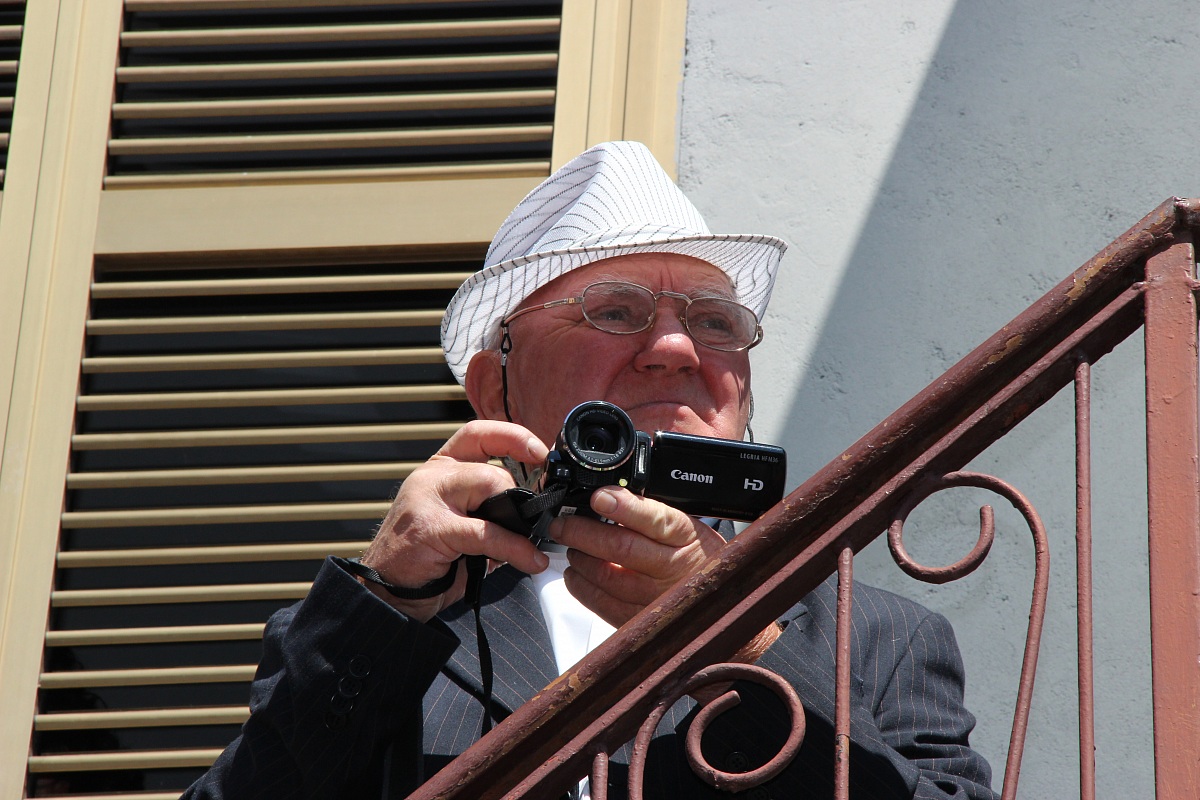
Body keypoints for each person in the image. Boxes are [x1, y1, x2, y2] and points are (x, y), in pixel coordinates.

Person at [184, 141, 996, 799]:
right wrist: (387, 595)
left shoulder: (877, 635)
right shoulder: (394, 623)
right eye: (615, 311)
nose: (679, 348)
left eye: (715, 321)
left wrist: (745, 639)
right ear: (492, 384)